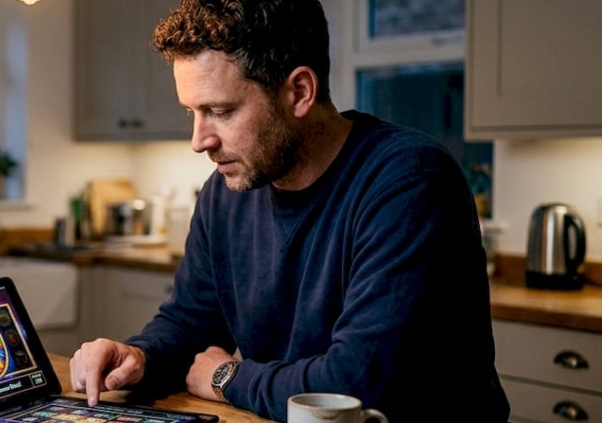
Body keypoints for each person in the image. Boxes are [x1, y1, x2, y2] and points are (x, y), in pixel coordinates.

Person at [68, 1, 510, 421]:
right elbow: (190, 322)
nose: (199, 140)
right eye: (192, 112)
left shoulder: (409, 181)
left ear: (299, 92)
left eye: (219, 111)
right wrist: (140, 356)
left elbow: (355, 386)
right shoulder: (225, 195)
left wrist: (227, 376)